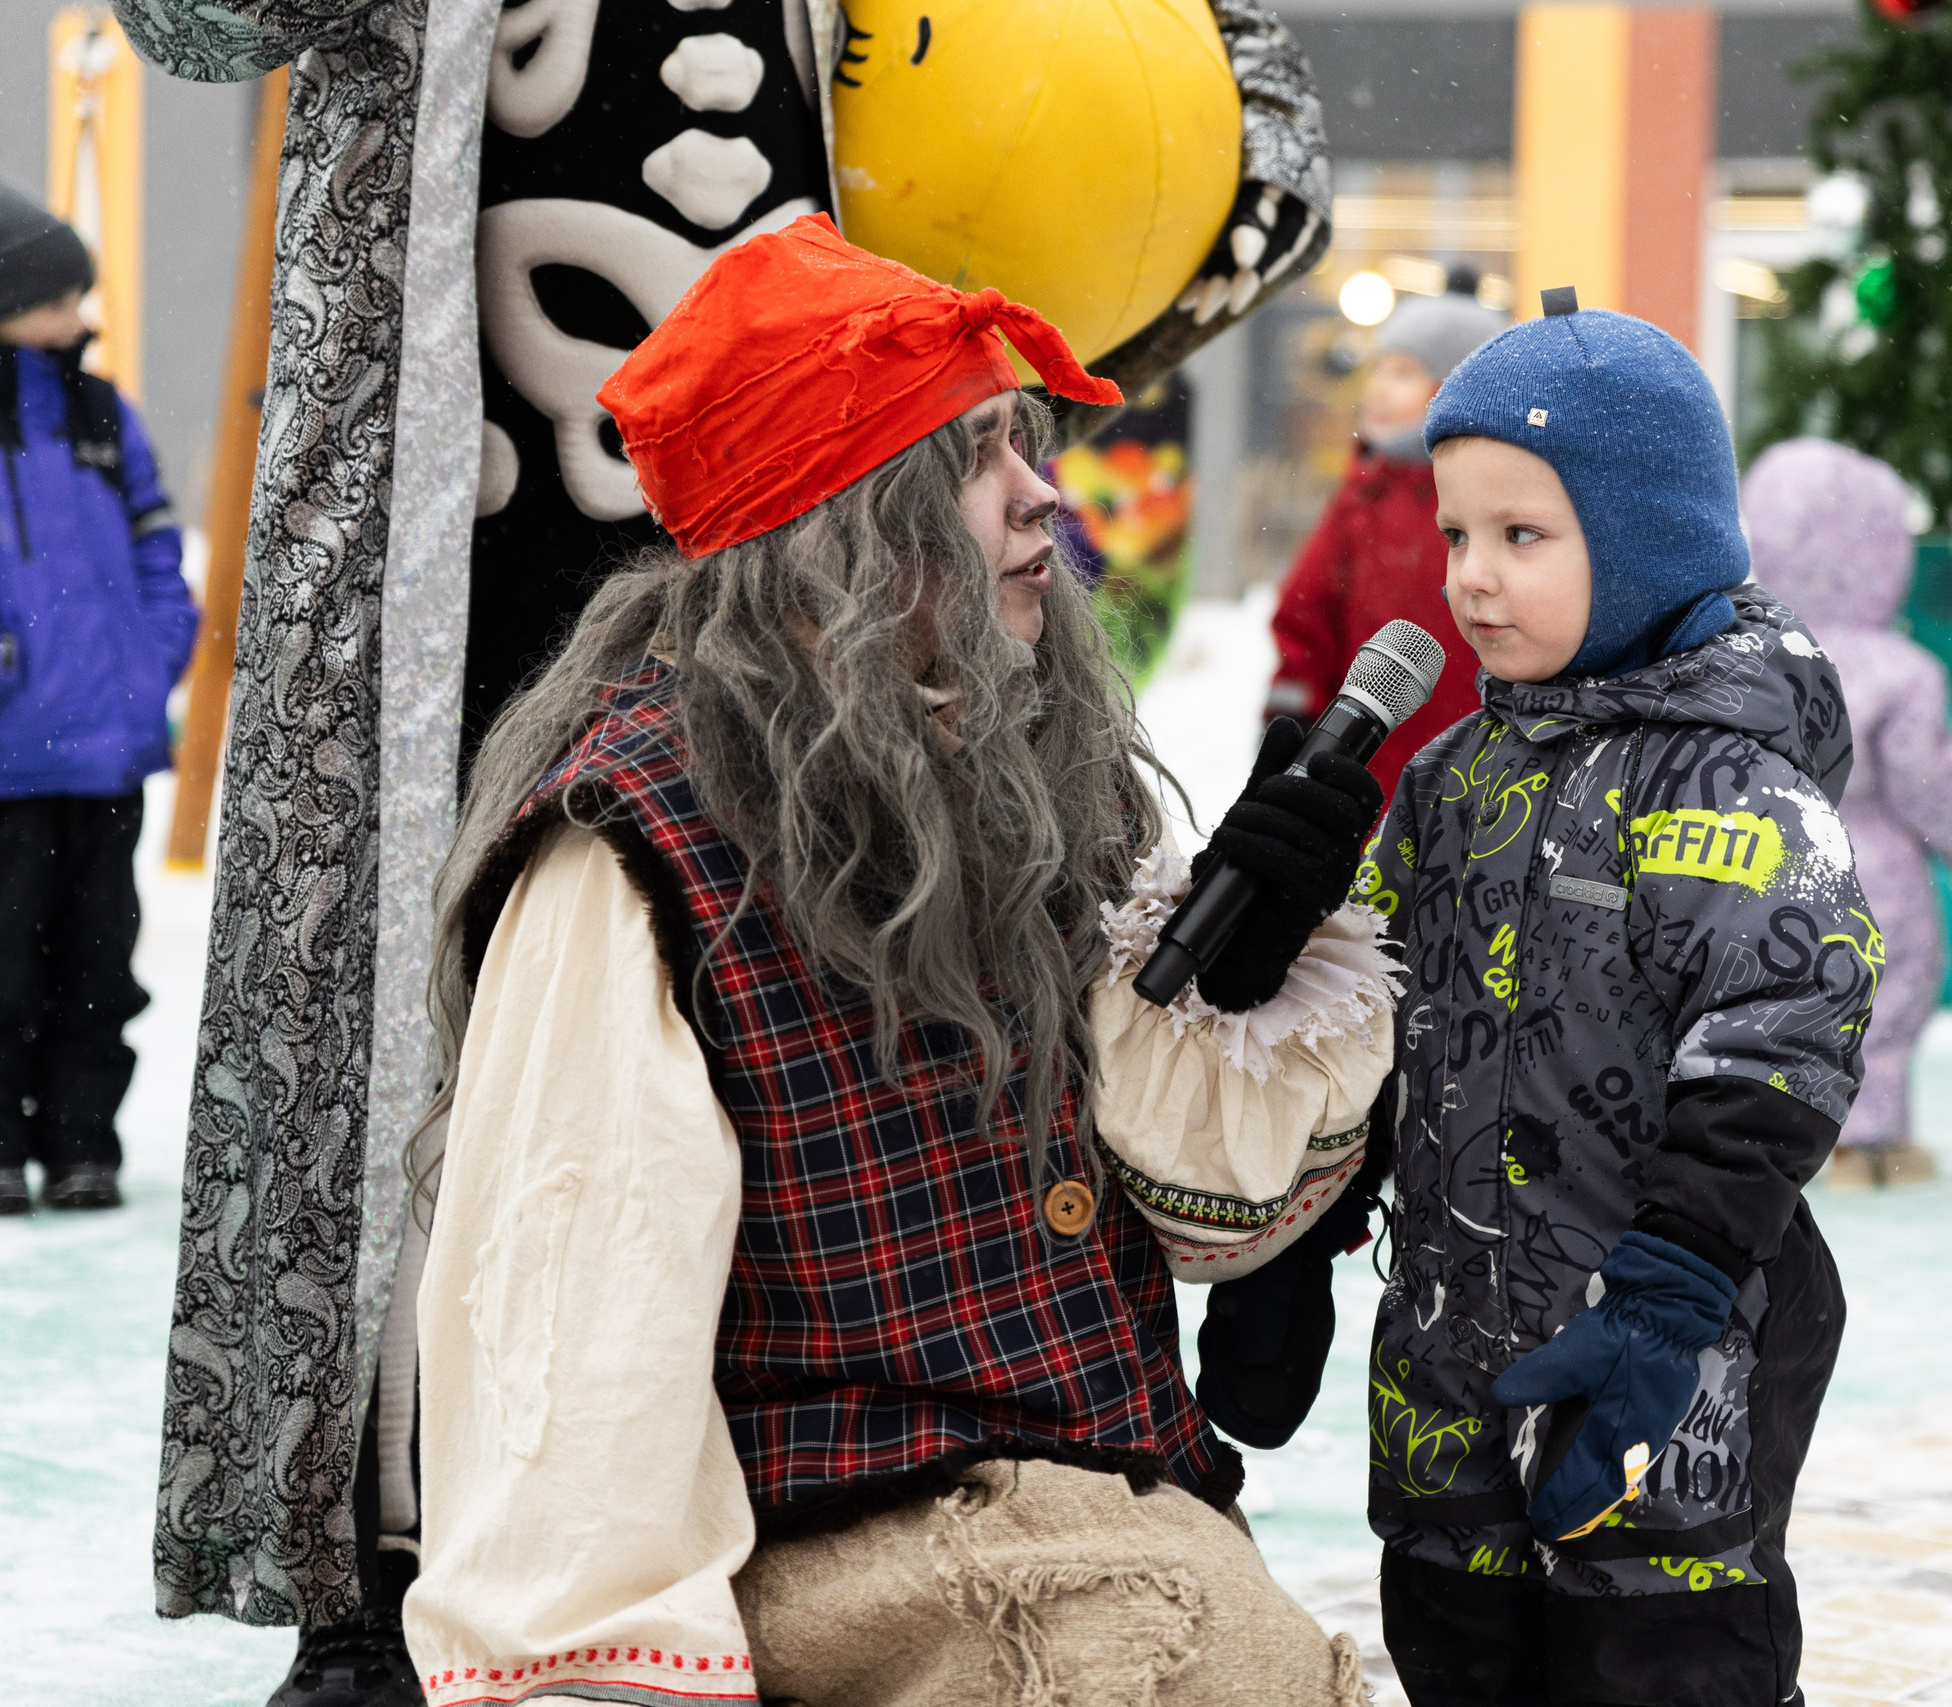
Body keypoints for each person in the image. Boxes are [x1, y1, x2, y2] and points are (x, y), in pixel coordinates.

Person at [114, 0, 1334, 1687]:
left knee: (898, 1006)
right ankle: (443, 1566)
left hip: (874, 456)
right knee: (575, 1052)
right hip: (500, 507)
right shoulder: (630, 821)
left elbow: (1208, 109)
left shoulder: (1008, 665)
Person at [405, 219, 1380, 1707]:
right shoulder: (635, 842)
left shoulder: (1036, 770)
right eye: (984, 452)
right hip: (834, 1548)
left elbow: (1198, 1207)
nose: (1044, 490)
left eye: (1028, 439)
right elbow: (570, 1324)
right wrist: (593, 1662)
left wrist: (1239, 974)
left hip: (1114, 1512)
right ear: (852, 510)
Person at [1348, 298, 1873, 1707]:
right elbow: (1368, 1024)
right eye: (1458, 533)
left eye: (1525, 536)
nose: (1471, 577)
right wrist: (1302, 1233)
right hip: (1450, 1352)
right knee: (1460, 1644)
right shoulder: (1447, 779)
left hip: (1670, 1337)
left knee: (1661, 1660)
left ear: (1643, 542)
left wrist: (1671, 1288)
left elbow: (1784, 1041)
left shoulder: (1730, 783)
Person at [0, 183, 196, 1217]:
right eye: (61, 297)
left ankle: (84, 1149)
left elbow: (159, 548)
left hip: (106, 746)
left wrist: (156, 655)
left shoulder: (99, 414)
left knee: (96, 969)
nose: (83, 317)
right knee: (4, 970)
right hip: (9, 758)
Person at [1742, 439, 1952, 1190]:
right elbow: (1931, 779)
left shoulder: (1750, 655)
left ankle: (1779, 1127)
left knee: (1774, 997)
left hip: (1760, 863)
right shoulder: (1898, 670)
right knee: (1881, 995)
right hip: (1872, 868)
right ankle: (1863, 1137)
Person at [1266, 283, 1509, 794]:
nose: (1376, 388)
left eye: (1401, 372)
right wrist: (1289, 721)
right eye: (1376, 368)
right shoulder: (1363, 497)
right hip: (1367, 771)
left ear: (1452, 389)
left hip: (1484, 773)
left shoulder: (1502, 504)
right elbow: (1306, 617)